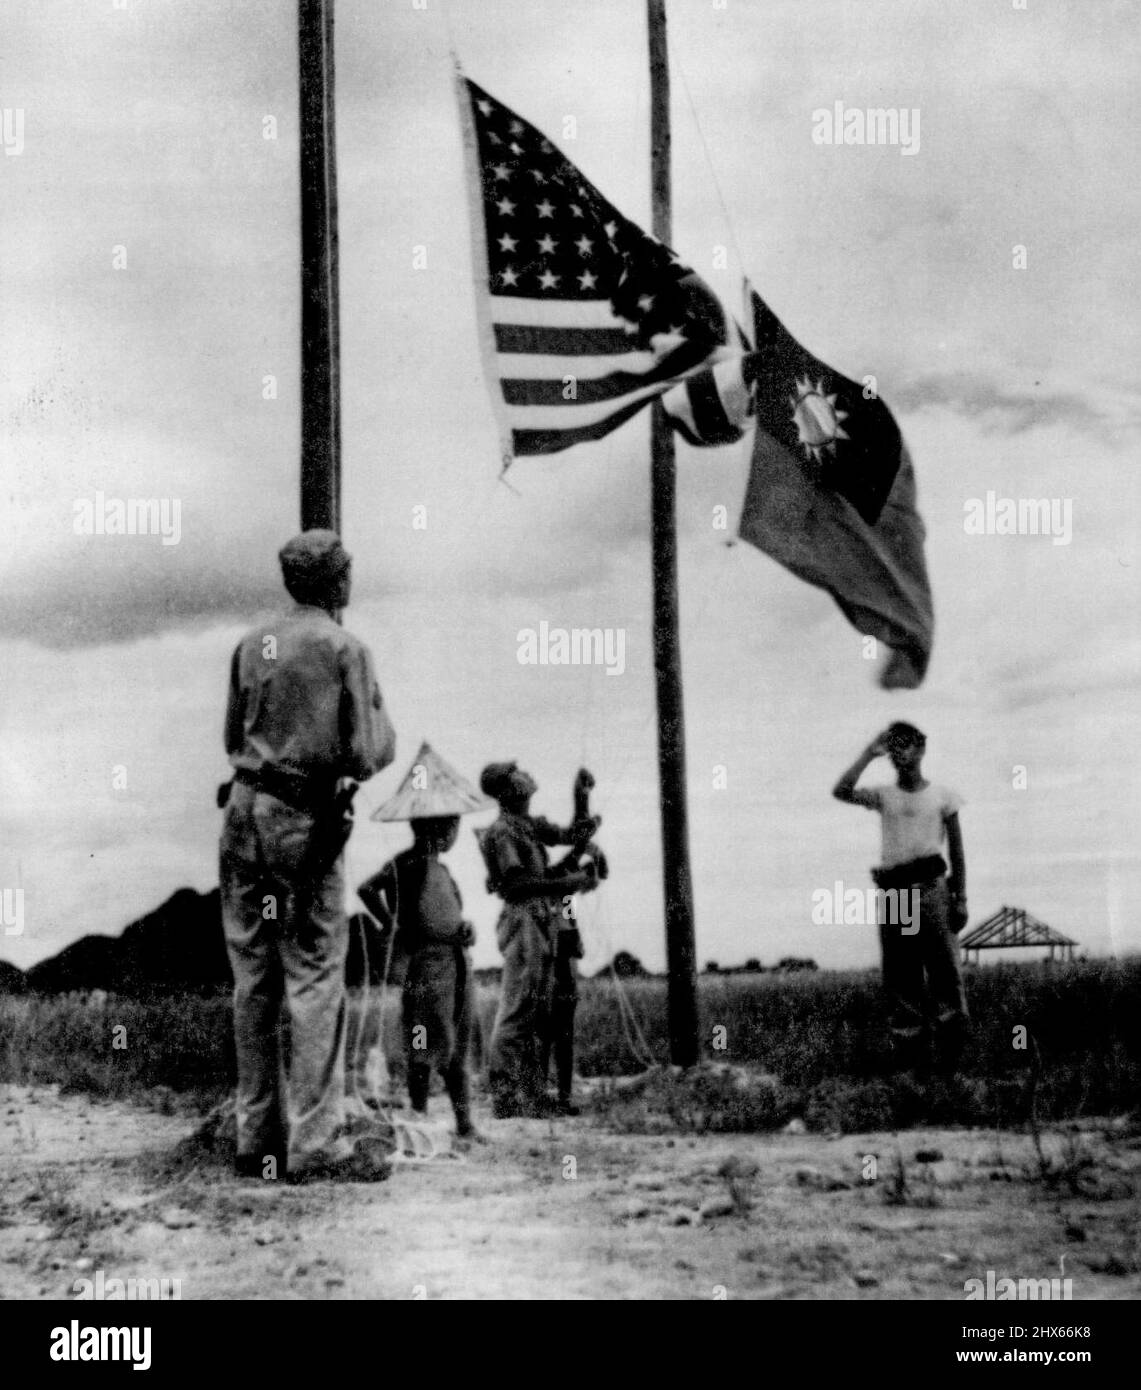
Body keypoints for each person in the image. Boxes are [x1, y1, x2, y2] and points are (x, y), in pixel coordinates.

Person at [219, 529, 397, 1183]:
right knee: (316, 973)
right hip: (303, 818)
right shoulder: (345, 648)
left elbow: (227, 734)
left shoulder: (249, 644)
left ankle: (256, 1139)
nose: (351, 576)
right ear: (332, 580)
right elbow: (366, 752)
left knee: (253, 980)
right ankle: (316, 1139)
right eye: (346, 568)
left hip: (242, 811)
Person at [357, 742, 491, 1141]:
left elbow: (453, 916)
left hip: (456, 963)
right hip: (426, 968)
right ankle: (417, 1115)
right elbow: (367, 889)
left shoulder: (443, 869)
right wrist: (391, 924)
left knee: (458, 1041)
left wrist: (466, 931)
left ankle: (465, 1123)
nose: (454, 833)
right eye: (451, 825)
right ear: (435, 826)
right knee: (425, 1041)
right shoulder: (408, 864)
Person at [832, 721, 969, 1068]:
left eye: (907, 745)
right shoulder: (883, 795)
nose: (900, 753)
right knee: (902, 979)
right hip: (896, 895)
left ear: (921, 749)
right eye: (894, 747)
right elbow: (842, 790)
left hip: (932, 890)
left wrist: (961, 897)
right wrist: (868, 753)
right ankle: (913, 1071)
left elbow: (957, 851)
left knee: (945, 976)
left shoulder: (943, 795)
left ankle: (952, 1069)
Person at [477, 762, 604, 1119]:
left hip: (539, 920)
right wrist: (568, 884)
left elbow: (573, 836)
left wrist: (580, 797)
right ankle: (505, 1096)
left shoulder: (525, 827)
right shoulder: (502, 832)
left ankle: (533, 1094)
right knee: (519, 1009)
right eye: (516, 772)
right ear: (507, 788)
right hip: (523, 919)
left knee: (537, 1011)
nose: (526, 775)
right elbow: (516, 886)